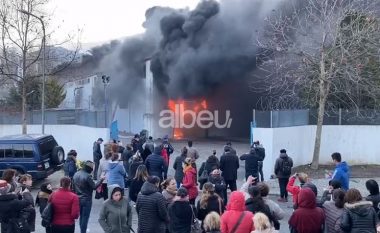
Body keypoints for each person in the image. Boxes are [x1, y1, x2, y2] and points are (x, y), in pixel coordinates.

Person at [73, 160, 104, 233]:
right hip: (87, 200)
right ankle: (83, 231)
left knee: (81, 216)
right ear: (89, 168)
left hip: (78, 198)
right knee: (85, 217)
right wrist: (101, 179)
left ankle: (82, 229)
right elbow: (94, 187)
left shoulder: (76, 174)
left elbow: (73, 187)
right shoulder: (87, 176)